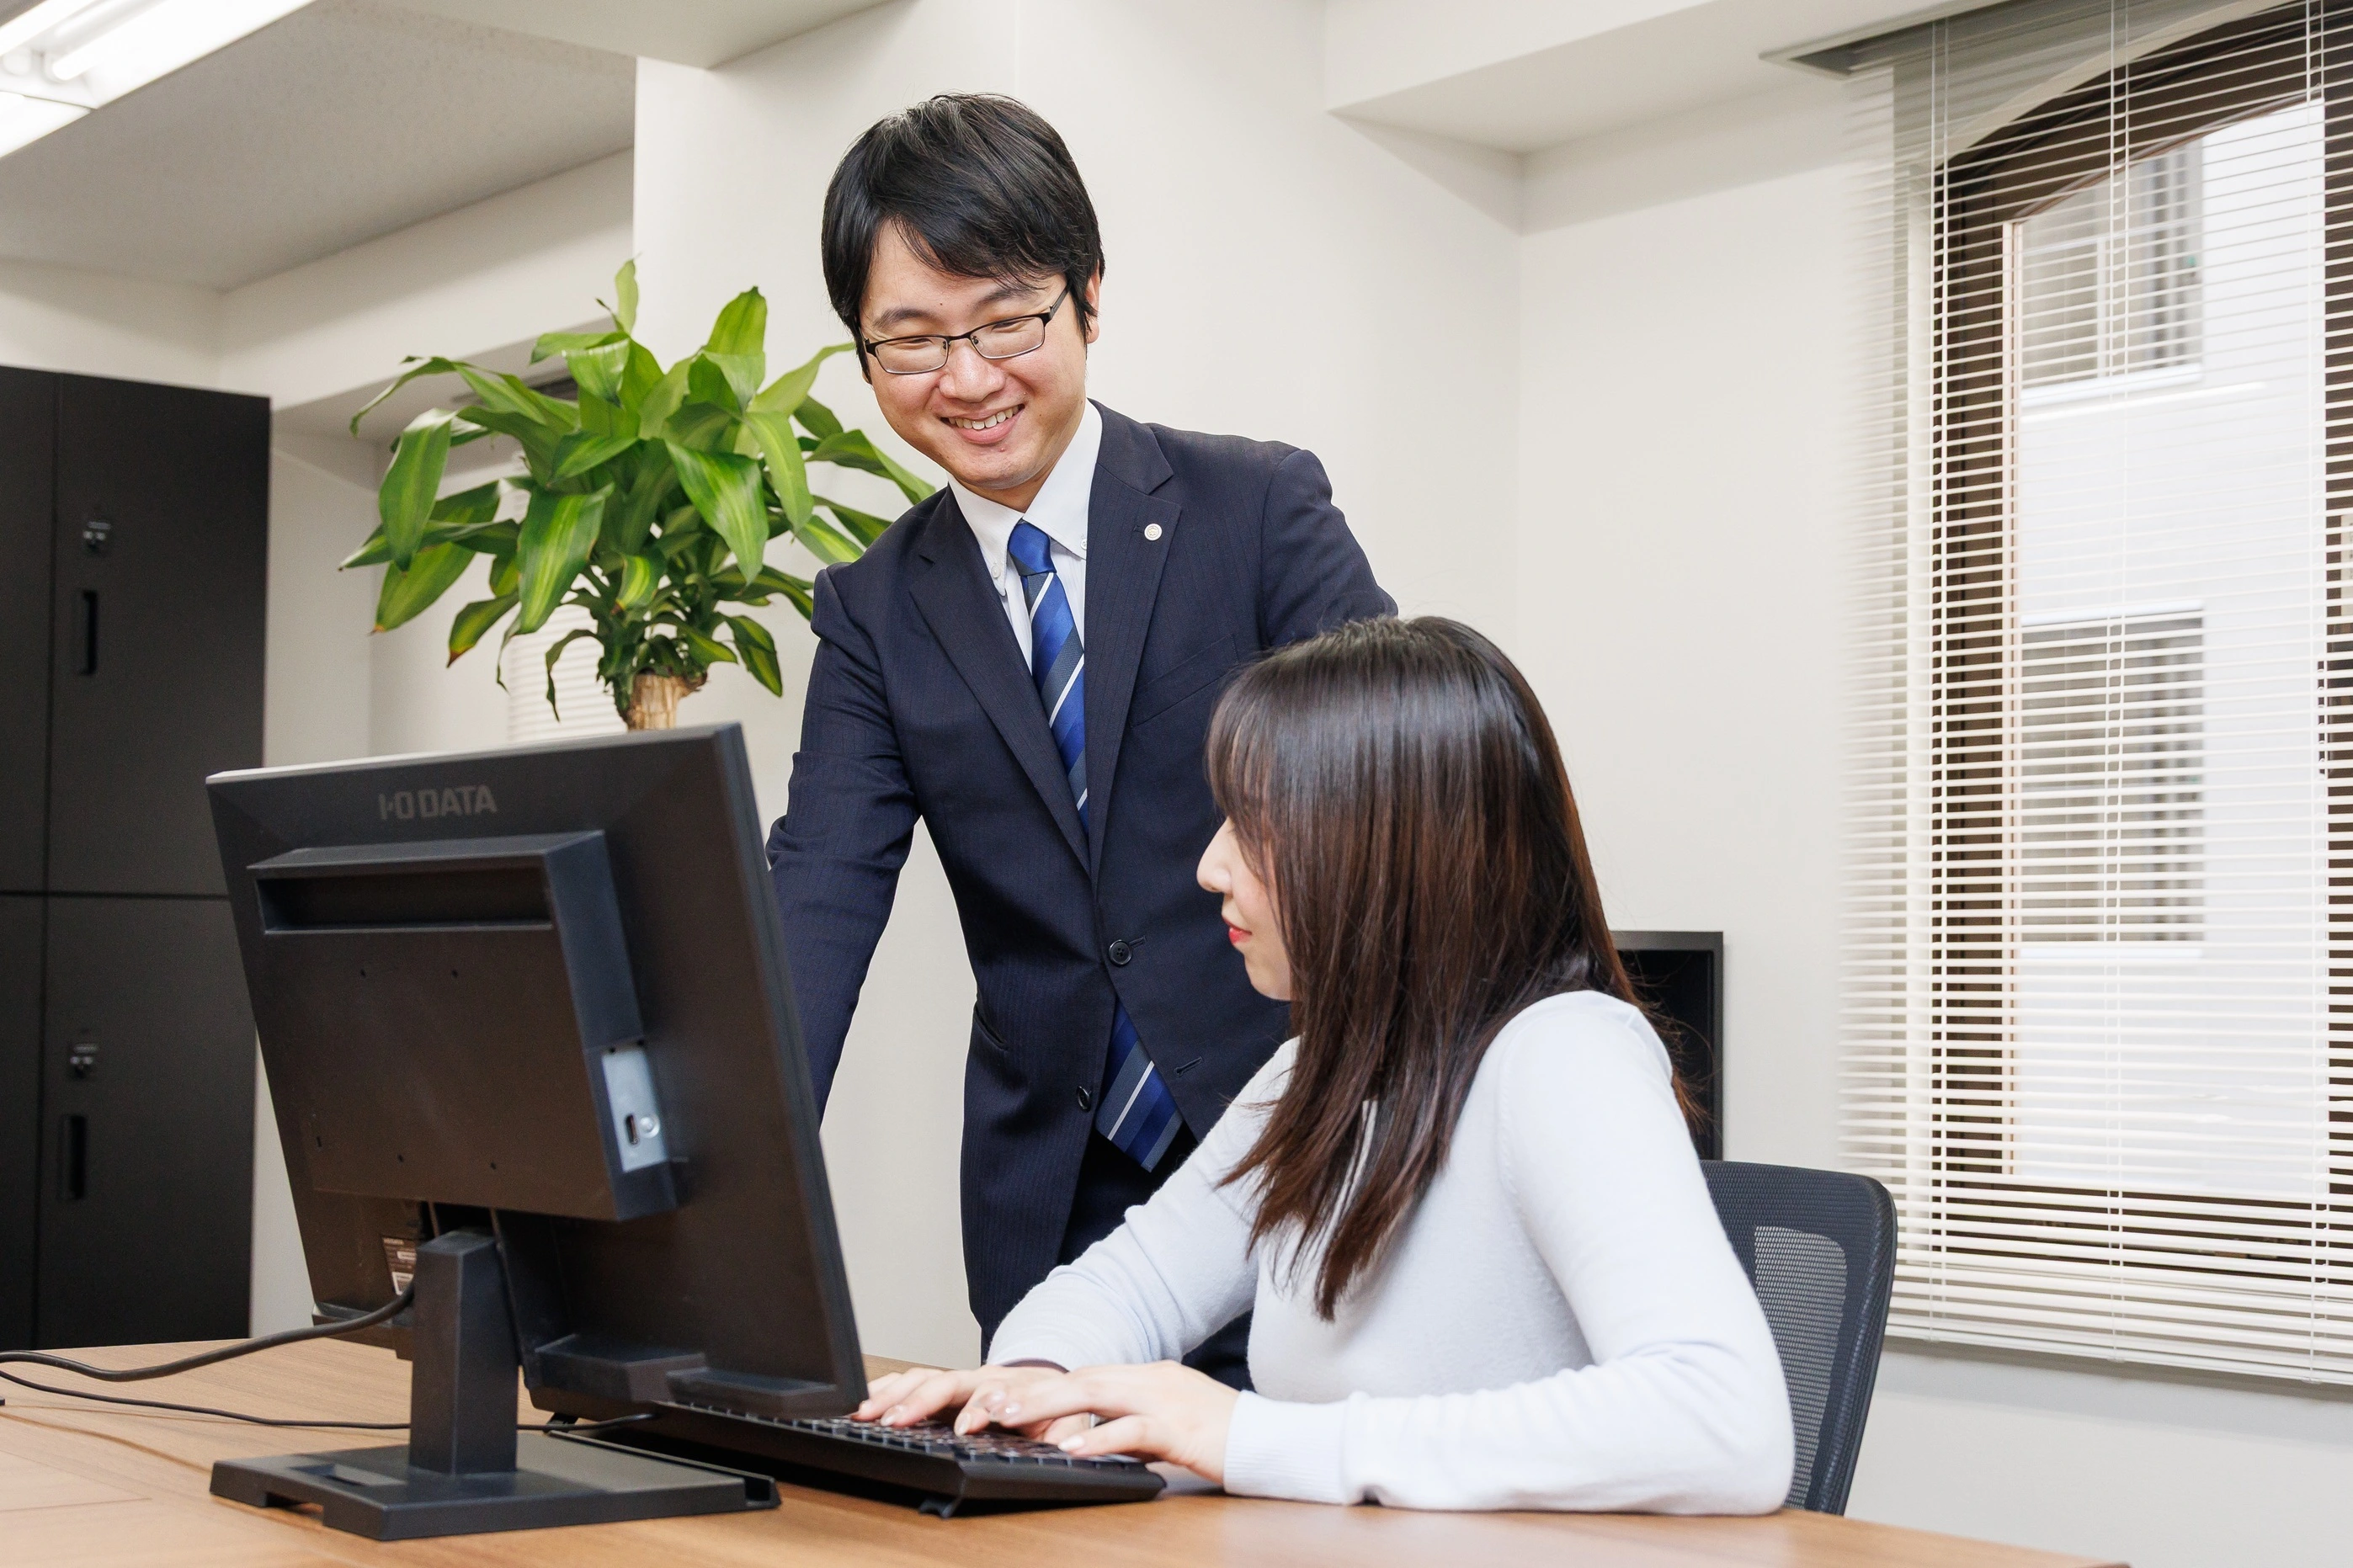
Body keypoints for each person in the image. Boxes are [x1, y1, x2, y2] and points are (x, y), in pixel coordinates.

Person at [852, 617, 1794, 1512]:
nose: (1209, 868)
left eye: (1250, 824)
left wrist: (1252, 1438)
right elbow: (1130, 1285)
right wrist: (1026, 1389)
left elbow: (1722, 1422)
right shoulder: (1318, 1075)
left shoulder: (1561, 1055)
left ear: (1380, 852)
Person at [766, 93, 1392, 1368]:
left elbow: (1401, 802)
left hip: (1296, 1162)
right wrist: (701, 1185)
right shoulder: (874, 611)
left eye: (1006, 320)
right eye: (912, 341)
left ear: (1087, 296)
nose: (967, 378)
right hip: (1050, 1207)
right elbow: (813, 900)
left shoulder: (1256, 510)